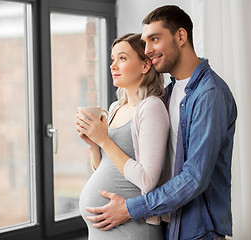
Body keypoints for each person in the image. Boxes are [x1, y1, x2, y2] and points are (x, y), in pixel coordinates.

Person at [84, 5, 238, 240]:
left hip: (198, 230)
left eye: (154, 39)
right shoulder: (168, 93)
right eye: (145, 42)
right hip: (169, 225)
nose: (148, 50)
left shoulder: (210, 94)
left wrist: (130, 209)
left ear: (180, 36)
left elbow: (194, 178)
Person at [75, 33, 170, 239]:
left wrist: (104, 140)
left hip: (132, 230)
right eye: (112, 59)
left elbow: (147, 180)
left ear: (145, 65)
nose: (113, 66)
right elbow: (108, 168)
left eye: (123, 58)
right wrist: (94, 145)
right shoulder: (115, 107)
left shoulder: (151, 108)